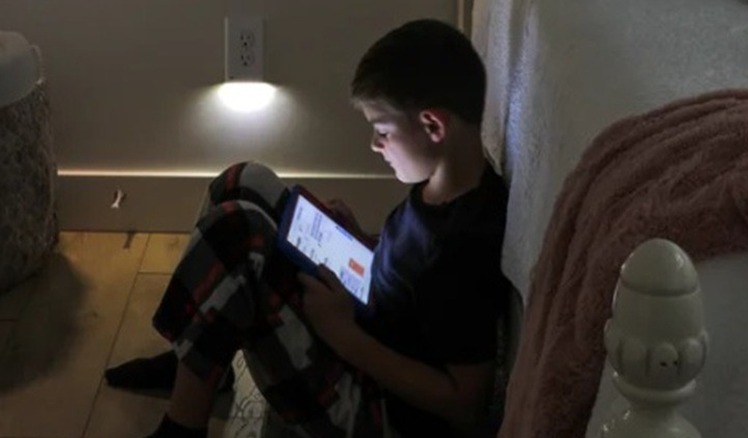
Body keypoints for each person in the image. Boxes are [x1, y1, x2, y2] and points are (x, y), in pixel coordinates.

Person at [107, 18, 511, 437]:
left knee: (237, 233)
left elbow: (466, 404)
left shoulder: (465, 246)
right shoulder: (442, 186)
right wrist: (360, 241)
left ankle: (182, 427)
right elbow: (414, 284)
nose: (375, 145)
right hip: (366, 325)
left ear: (433, 126)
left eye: (383, 131)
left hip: (380, 414)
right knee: (245, 179)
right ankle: (200, 361)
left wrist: (343, 335)